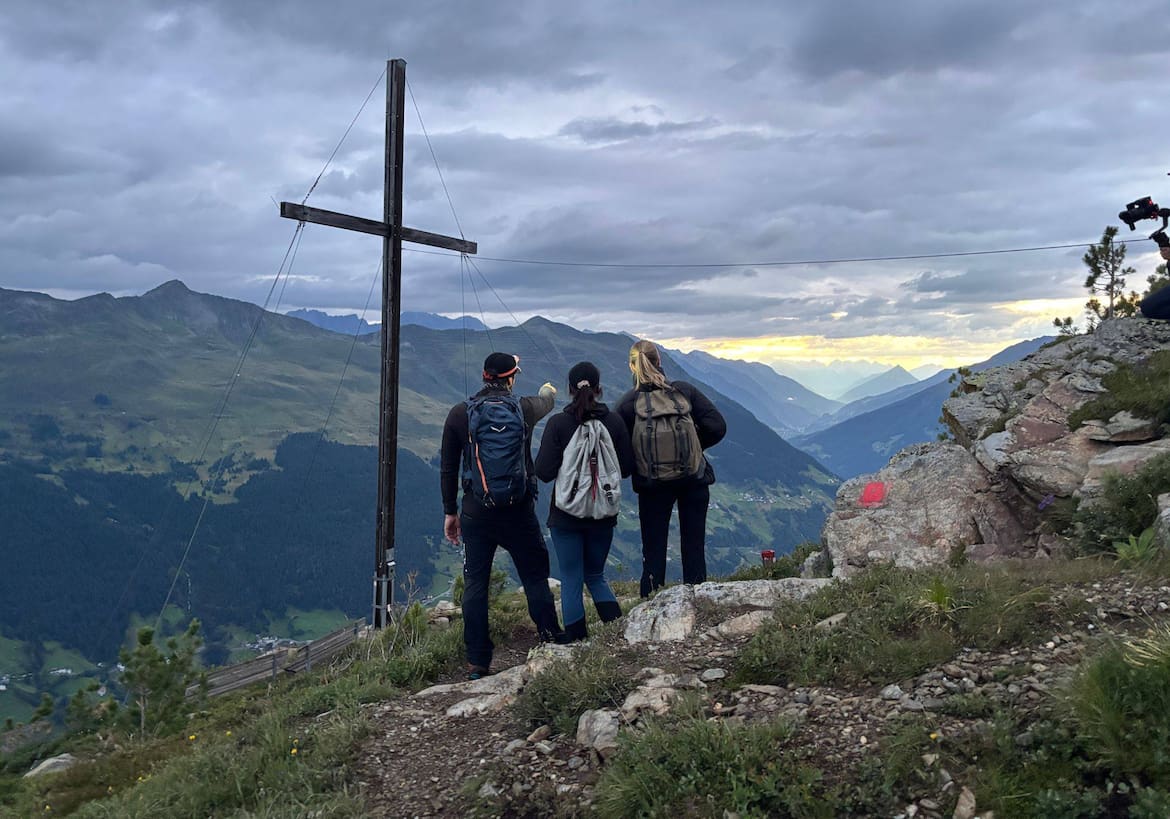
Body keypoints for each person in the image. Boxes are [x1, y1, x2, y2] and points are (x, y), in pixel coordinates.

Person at [440, 352, 566, 679]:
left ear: (484, 376)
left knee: (476, 584)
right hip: (518, 510)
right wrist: (548, 390)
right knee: (535, 576)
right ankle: (550, 637)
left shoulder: (459, 414)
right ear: (511, 378)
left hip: (476, 512)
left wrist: (450, 512)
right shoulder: (524, 408)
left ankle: (477, 662)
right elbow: (547, 401)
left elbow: (449, 468)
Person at [534, 361, 636, 641]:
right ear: (598, 387)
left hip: (565, 515)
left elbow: (543, 472)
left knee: (571, 578)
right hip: (603, 514)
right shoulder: (613, 421)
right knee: (596, 575)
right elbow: (626, 467)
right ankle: (619, 633)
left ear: (569, 389)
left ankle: (576, 638)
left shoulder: (558, 423)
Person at [617, 340, 727, 597]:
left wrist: (639, 463)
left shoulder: (628, 404)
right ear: (660, 361)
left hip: (653, 486)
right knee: (694, 546)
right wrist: (692, 449)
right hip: (693, 479)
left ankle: (650, 606)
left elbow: (618, 449)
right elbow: (718, 426)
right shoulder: (684, 392)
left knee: (653, 551)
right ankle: (698, 601)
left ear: (632, 367)